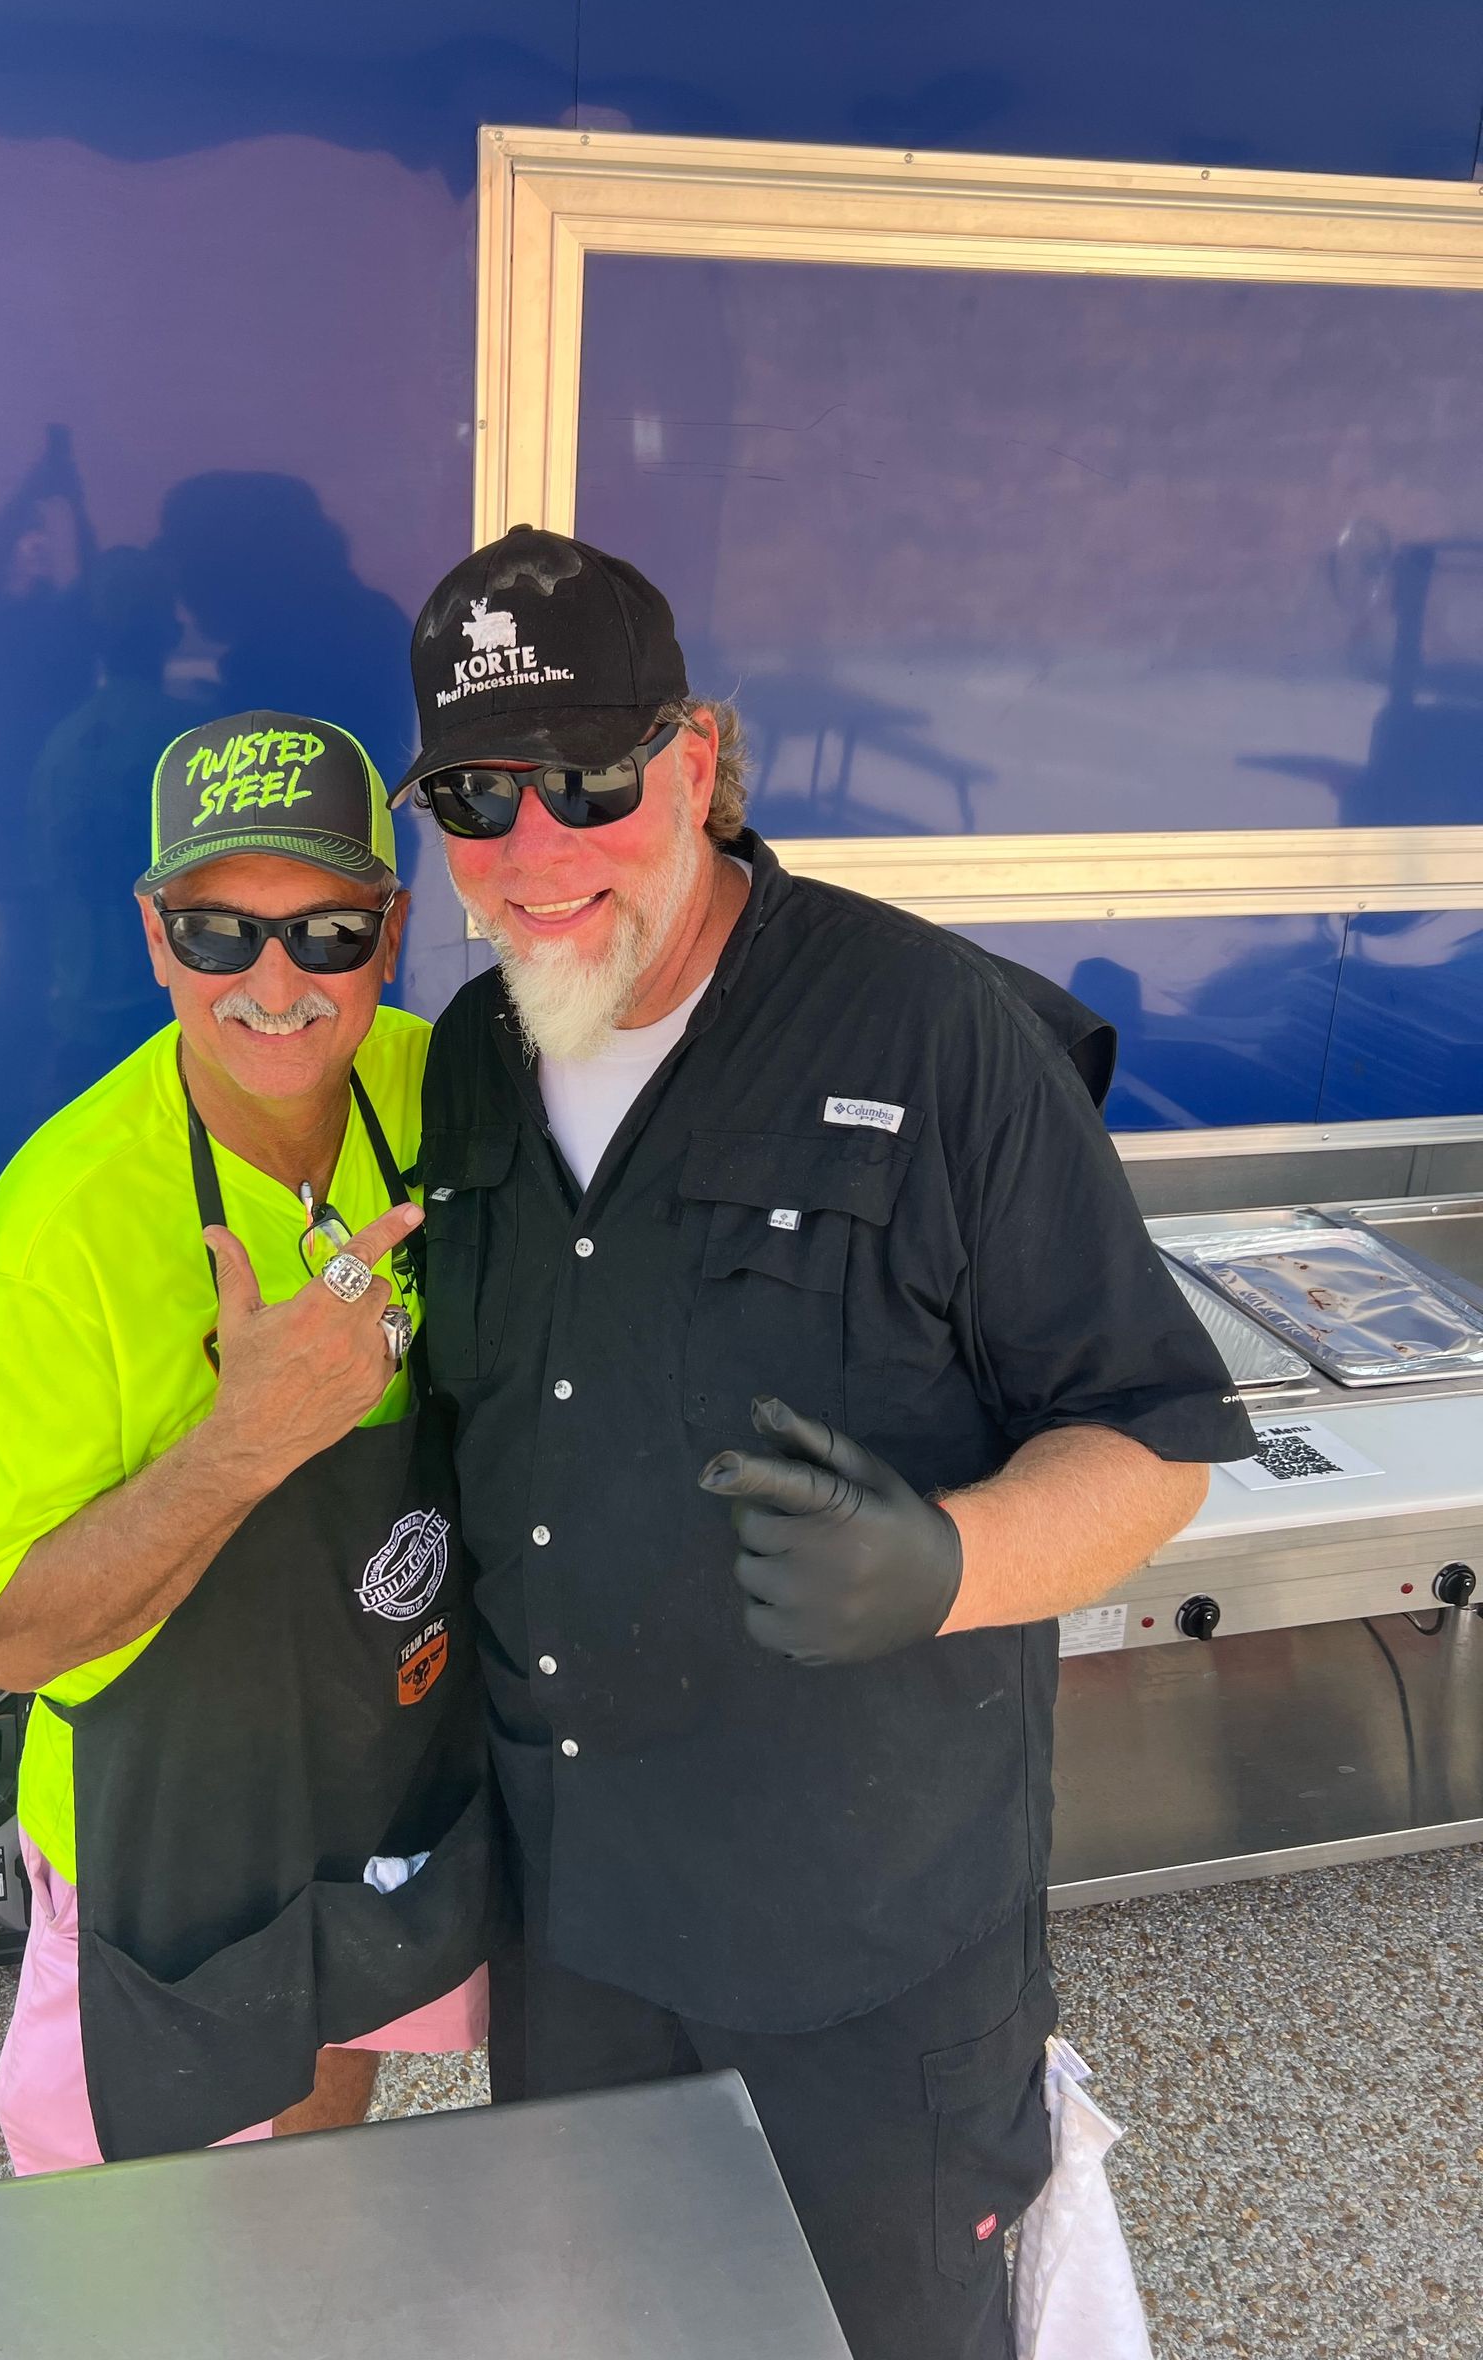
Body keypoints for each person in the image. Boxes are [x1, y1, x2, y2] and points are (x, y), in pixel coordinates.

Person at [397, 528, 1250, 2360]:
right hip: (578, 1922)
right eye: (477, 795)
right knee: (603, 2321)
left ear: (695, 759)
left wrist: (956, 1563)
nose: (535, 847)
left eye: (589, 779)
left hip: (860, 1938)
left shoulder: (939, 1032)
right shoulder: (475, 1054)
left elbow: (1152, 1438)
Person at [0, 708, 492, 2172]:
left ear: (390, 930)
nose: (273, 985)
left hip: (381, 1757)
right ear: (153, 937)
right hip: (166, 1827)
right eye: (217, 933)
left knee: (319, 2110)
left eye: (323, 933)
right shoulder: (60, 1231)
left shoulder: (445, 1092)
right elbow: (7, 1639)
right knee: (148, 2244)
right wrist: (244, 1444)